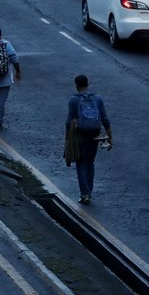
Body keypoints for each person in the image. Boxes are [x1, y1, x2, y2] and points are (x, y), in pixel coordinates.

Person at [66, 74, 112, 205]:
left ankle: (84, 194)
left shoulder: (74, 100)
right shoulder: (97, 98)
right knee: (90, 162)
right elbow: (105, 119)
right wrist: (110, 137)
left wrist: (67, 140)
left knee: (81, 162)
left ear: (76, 85)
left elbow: (69, 122)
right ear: (88, 84)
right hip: (95, 134)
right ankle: (89, 192)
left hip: (80, 135)